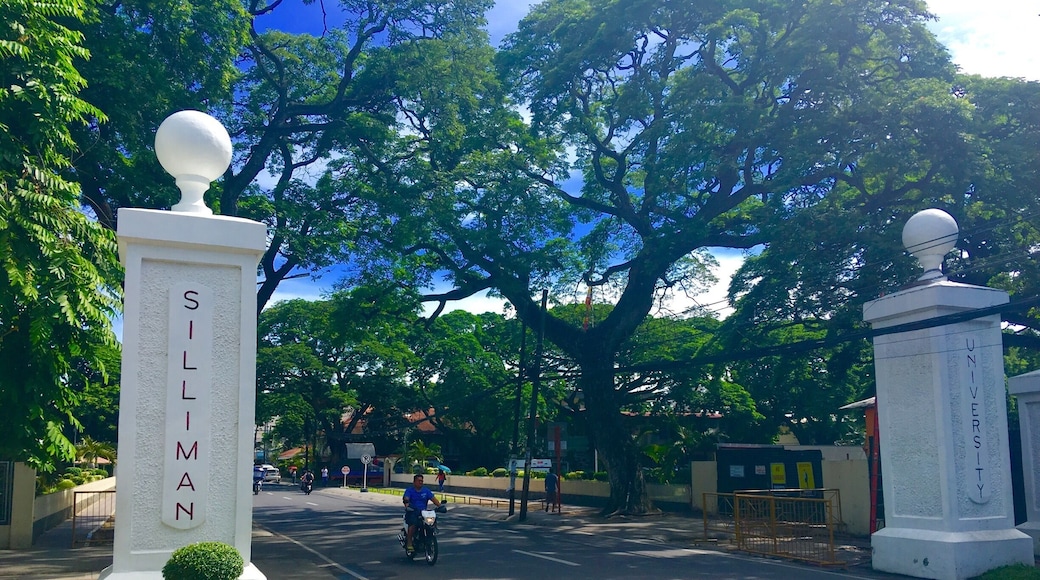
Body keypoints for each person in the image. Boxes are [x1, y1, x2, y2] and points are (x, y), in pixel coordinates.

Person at [403, 474, 442, 554]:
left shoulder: (426, 491)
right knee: (413, 524)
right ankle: (409, 543)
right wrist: (407, 504)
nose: (421, 482)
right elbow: (406, 498)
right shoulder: (409, 490)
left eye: (422, 481)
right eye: (419, 481)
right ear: (414, 482)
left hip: (424, 513)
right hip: (412, 512)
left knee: (432, 521)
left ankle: (429, 536)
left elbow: (434, 499)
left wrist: (440, 506)